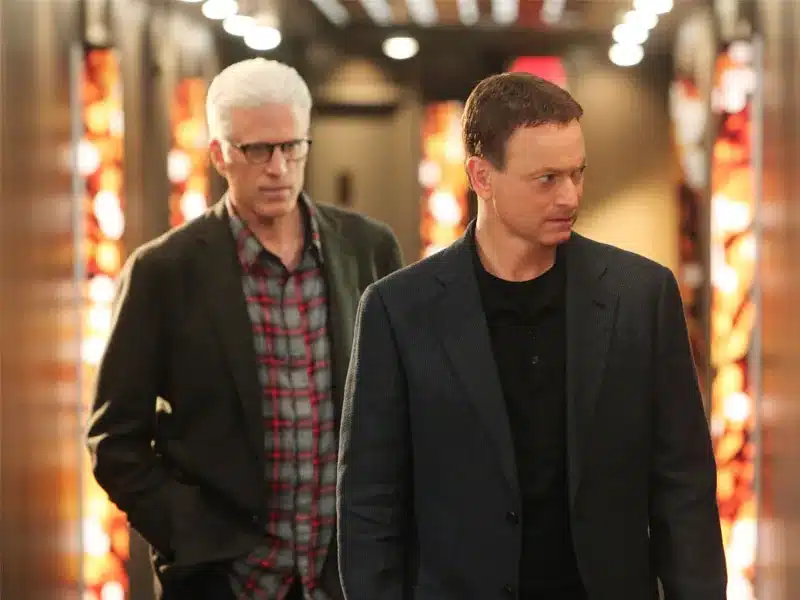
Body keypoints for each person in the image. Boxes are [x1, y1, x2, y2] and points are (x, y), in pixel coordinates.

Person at [337, 72, 726, 600]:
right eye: (546, 178)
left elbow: (684, 488)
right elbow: (370, 504)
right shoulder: (398, 310)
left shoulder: (641, 296)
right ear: (482, 176)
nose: (570, 196)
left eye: (577, 173)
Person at [86, 58, 403, 600]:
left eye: (291, 147)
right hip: (224, 581)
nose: (278, 168)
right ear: (219, 155)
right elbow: (115, 439)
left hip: (344, 576)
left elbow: (403, 406)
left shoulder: (367, 249)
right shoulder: (165, 271)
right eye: (257, 150)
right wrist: (187, 535)